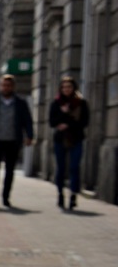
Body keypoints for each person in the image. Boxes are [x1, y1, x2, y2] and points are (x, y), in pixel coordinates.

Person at [0, 74, 33, 208]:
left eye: (8, 85)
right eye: (3, 85)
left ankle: (6, 197)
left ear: (13, 87)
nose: (5, 88)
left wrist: (29, 136)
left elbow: (27, 120)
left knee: (10, 171)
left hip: (13, 141)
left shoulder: (20, 103)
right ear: (0, 86)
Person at [48, 75, 89, 210]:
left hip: (76, 138)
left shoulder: (81, 103)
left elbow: (84, 122)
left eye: (69, 87)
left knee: (74, 167)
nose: (66, 89)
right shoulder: (56, 103)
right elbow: (52, 122)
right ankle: (60, 194)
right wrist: (63, 113)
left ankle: (73, 195)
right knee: (60, 168)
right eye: (64, 87)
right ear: (61, 88)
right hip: (60, 139)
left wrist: (68, 124)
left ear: (73, 88)